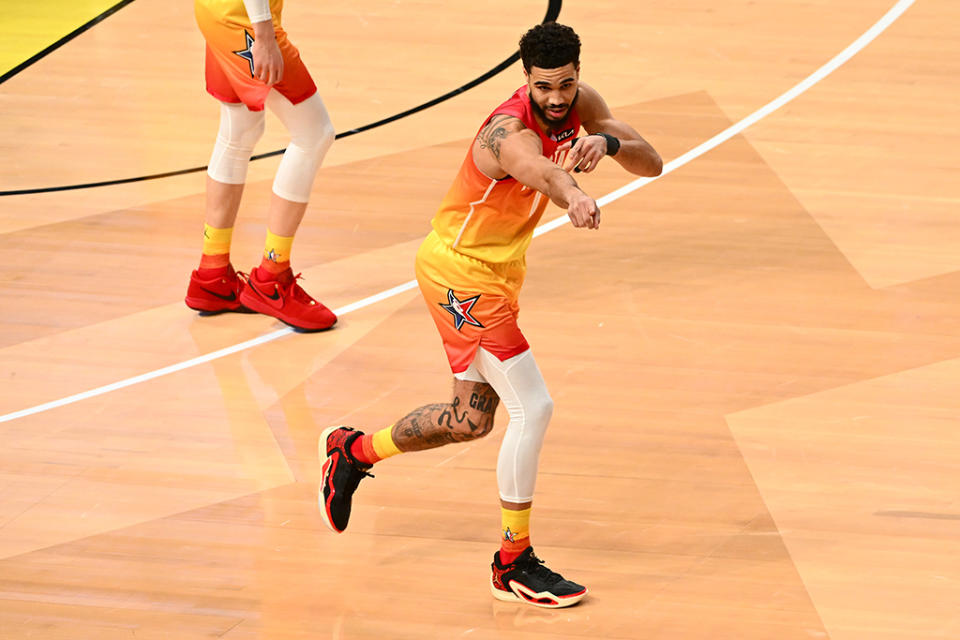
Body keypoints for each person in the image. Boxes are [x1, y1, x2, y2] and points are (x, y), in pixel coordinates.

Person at [318, 22, 662, 608]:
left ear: (578, 76)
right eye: (545, 87)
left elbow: (650, 162)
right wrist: (575, 193)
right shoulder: (506, 132)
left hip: (497, 275)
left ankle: (351, 452)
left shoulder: (584, 106)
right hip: (460, 274)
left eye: (567, 86)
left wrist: (606, 144)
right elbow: (541, 171)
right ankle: (513, 562)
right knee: (536, 405)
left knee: (469, 420)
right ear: (524, 80)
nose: (557, 99)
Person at [184, 0, 337, 331]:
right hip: (245, 22)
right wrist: (264, 34)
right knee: (314, 134)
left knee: (240, 129)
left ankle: (212, 273)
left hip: (220, 13)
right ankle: (272, 277)